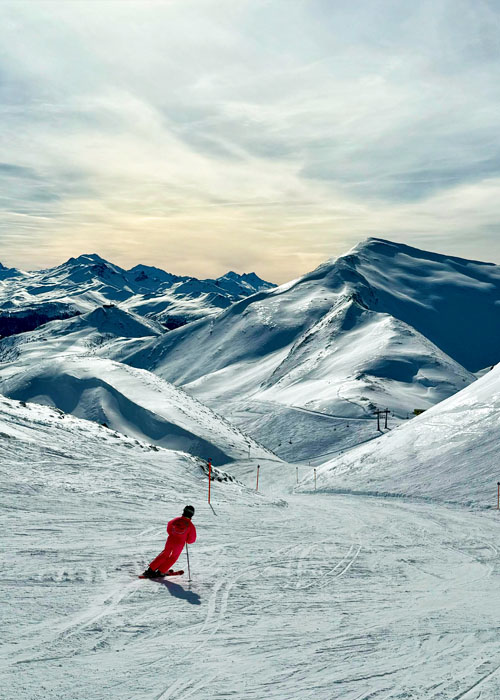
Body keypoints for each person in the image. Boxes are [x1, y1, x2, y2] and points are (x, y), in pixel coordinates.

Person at [142, 505, 196, 578]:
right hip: (179, 544)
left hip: (170, 540)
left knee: (165, 554)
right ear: (192, 515)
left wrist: (172, 534)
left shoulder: (176, 520)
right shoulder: (190, 525)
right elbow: (192, 539)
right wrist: (187, 540)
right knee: (173, 557)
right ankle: (161, 571)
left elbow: (169, 527)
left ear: (184, 512)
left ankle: (151, 569)